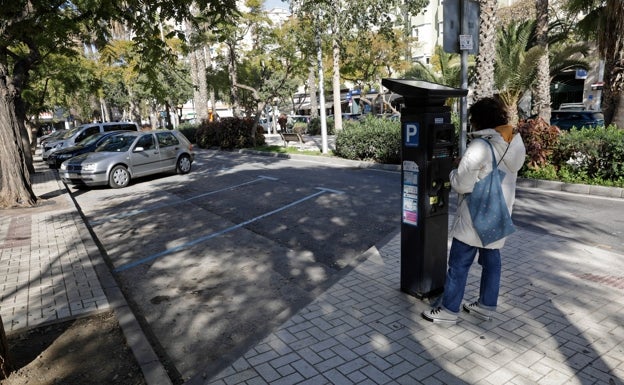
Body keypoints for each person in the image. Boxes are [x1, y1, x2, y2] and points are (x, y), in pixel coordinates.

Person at [422, 97, 526, 324]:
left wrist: (453, 171)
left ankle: (449, 311)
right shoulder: (514, 145)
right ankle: (486, 306)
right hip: (498, 215)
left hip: (474, 215)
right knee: (492, 263)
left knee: (458, 265)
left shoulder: (480, 145)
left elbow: (461, 184)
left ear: (478, 120)